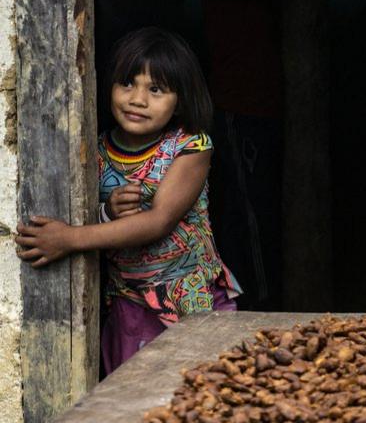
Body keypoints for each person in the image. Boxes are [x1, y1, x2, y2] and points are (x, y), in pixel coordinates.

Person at [15, 27, 241, 374]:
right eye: (127, 84)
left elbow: (158, 221)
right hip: (130, 307)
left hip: (190, 300)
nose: (137, 99)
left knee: (200, 396)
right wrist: (107, 212)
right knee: (133, 401)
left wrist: (69, 239)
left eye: (156, 89)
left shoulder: (191, 146)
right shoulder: (96, 151)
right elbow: (95, 214)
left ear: (179, 100)